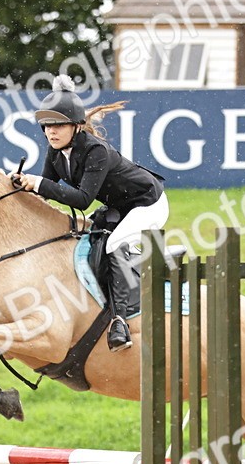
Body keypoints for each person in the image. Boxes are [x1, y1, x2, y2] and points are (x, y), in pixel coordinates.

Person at [11, 75, 168, 352]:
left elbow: (82, 200)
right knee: (89, 238)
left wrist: (37, 183)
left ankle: (120, 322)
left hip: (148, 203)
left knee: (115, 244)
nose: (51, 132)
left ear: (76, 126)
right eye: (47, 126)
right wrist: (21, 184)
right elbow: (46, 188)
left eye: (58, 125)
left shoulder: (96, 150)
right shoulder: (55, 151)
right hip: (119, 206)